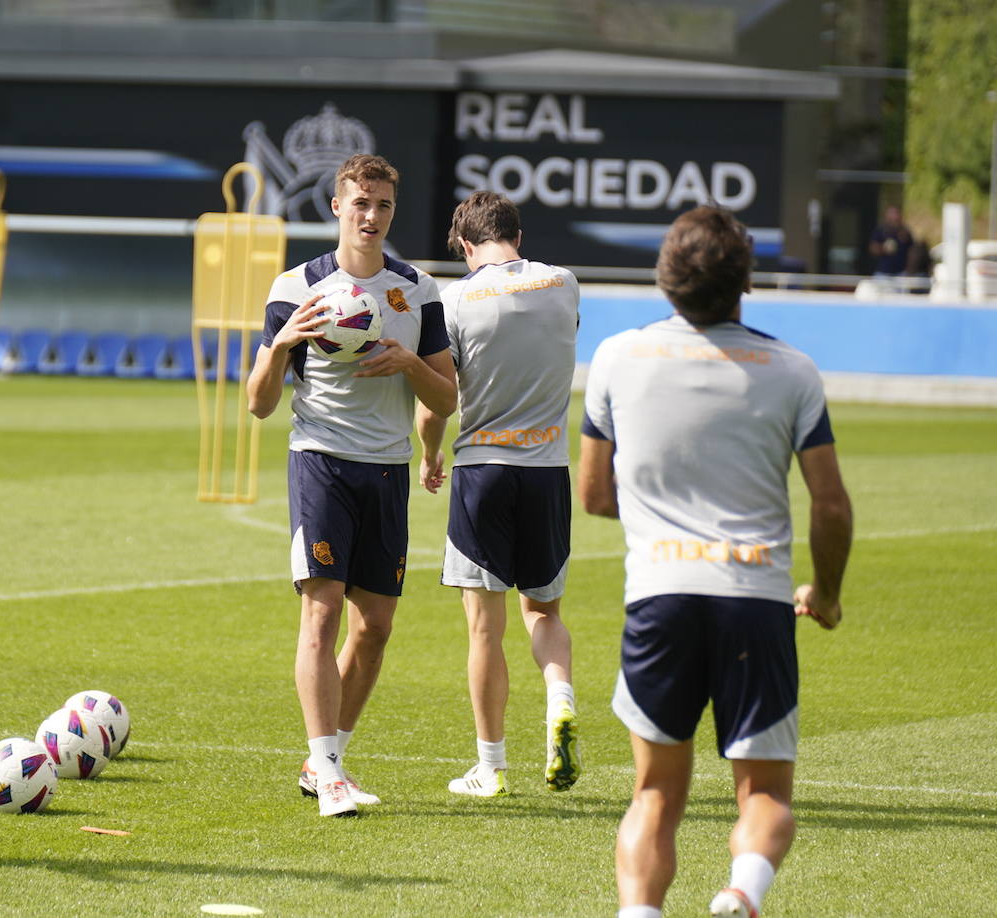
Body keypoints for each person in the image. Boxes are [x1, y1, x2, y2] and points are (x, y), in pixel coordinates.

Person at [577, 204, 852, 918]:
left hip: (660, 598)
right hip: (757, 600)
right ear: (745, 282)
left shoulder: (616, 357)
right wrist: (824, 593)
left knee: (655, 793)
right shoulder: (792, 370)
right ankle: (742, 892)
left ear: (666, 277)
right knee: (764, 796)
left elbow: (594, 496)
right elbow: (830, 506)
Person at [246, 153, 457, 818]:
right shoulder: (294, 287)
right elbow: (256, 405)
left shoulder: (416, 292)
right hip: (321, 460)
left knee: (376, 629)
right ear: (337, 206)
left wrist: (407, 364)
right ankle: (333, 773)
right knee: (323, 610)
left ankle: (323, 758)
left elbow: (447, 397)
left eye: (383, 206)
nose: (371, 216)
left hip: (388, 470)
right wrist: (283, 346)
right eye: (360, 203)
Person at [416, 191, 582, 798]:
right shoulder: (564, 283)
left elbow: (440, 401)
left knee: (485, 630)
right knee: (542, 612)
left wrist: (431, 453)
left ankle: (490, 766)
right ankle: (559, 700)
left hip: (483, 468)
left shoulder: (453, 298)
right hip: (548, 469)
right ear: (516, 232)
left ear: (464, 245)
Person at [868, 204, 913, 279]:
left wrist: (910, 270)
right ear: (886, 216)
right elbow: (873, 249)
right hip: (883, 273)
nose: (894, 217)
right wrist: (884, 248)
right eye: (892, 214)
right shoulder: (880, 231)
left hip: (901, 273)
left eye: (896, 213)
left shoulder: (905, 232)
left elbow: (912, 251)